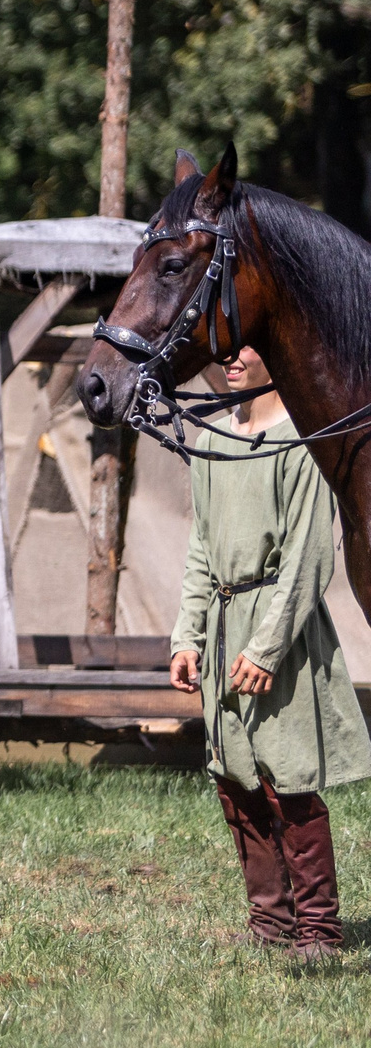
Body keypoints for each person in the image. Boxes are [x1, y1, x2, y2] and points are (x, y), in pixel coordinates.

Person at [171, 344, 370, 962]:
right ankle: (270, 922)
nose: (232, 357)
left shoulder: (300, 441)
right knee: (235, 779)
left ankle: (318, 931)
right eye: (226, 346)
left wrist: (266, 648)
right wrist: (187, 635)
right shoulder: (213, 436)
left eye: (248, 344)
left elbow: (309, 555)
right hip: (223, 622)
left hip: (279, 627)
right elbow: (202, 547)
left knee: (290, 780)